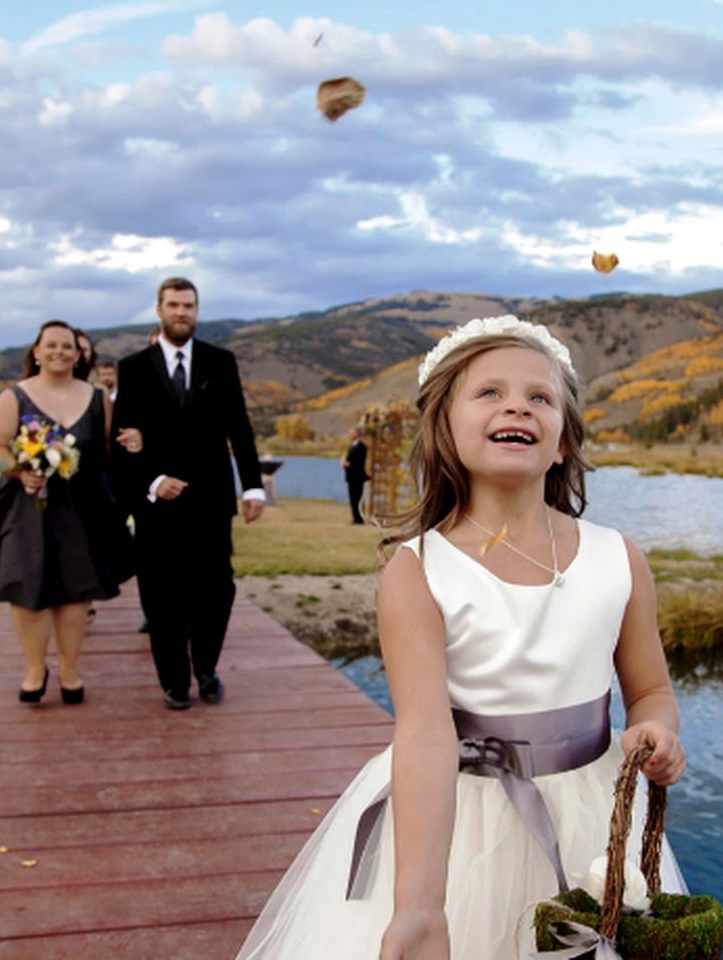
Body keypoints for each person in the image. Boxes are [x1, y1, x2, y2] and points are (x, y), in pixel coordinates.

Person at [235, 316, 688, 959]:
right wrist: (420, 903)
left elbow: (651, 692)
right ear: (445, 431)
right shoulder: (418, 569)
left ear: (562, 441)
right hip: (461, 819)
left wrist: (659, 731)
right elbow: (422, 732)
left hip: (597, 820)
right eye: (490, 393)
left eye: (540, 397)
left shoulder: (619, 559)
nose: (517, 406)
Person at [113, 277, 266, 710]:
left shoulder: (221, 361)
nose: (182, 312)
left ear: (197, 311)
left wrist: (252, 485)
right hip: (158, 504)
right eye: (174, 305)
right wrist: (153, 480)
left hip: (211, 500)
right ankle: (174, 681)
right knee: (161, 595)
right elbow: (120, 438)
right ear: (159, 309)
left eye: (189, 305)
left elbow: (239, 427)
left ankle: (206, 668)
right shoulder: (134, 367)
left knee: (217, 591)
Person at [0, 319, 140, 705]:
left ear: (79, 354)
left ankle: (69, 668)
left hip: (83, 506)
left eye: (67, 346)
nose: (59, 352)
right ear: (36, 351)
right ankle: (35, 668)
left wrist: (131, 443)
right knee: (26, 585)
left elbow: (107, 451)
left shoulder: (97, 398)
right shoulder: (14, 397)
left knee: (75, 590)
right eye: (51, 345)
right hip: (27, 505)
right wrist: (17, 471)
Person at [341, 425, 369, 525]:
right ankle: (355, 517)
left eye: (351, 433)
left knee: (357, 497)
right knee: (352, 498)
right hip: (351, 476)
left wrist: (347, 463)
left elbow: (358, 462)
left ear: (357, 434)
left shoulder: (362, 447)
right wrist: (344, 462)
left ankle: (358, 518)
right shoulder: (352, 446)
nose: (349, 435)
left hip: (357, 476)